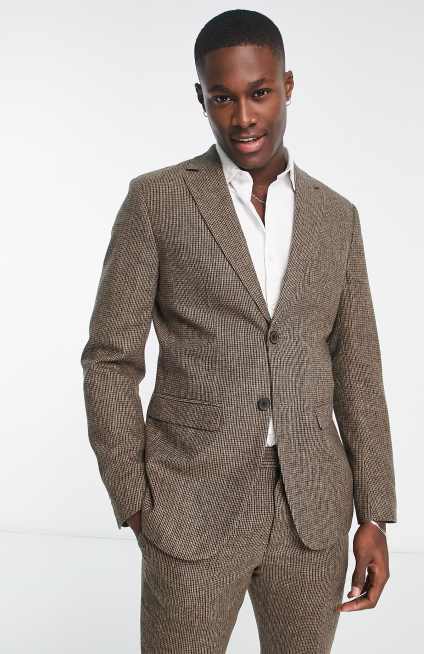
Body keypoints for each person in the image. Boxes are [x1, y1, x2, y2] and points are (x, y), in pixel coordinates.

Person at [80, 9, 397, 653]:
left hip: (312, 513)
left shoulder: (336, 217)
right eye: (222, 97)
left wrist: (374, 513)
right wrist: (136, 498)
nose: (244, 117)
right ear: (201, 97)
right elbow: (110, 359)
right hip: (189, 503)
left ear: (288, 86)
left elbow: (358, 370)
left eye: (260, 92)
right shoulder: (157, 201)